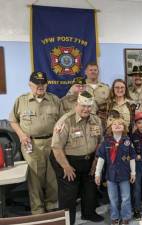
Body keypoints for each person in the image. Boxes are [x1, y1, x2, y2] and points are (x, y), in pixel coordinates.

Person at [9, 71, 62, 214]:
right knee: (35, 179)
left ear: (47, 84)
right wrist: (21, 135)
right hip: (31, 145)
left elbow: (63, 122)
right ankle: (37, 210)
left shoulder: (55, 100)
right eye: (37, 84)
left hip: (52, 143)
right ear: (30, 85)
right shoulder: (21, 100)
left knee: (53, 177)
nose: (40, 86)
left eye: (43, 84)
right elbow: (13, 121)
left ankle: (52, 206)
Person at [51, 91, 104, 225]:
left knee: (89, 189)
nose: (86, 109)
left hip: (90, 159)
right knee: (69, 194)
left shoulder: (96, 120)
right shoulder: (65, 121)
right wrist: (66, 167)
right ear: (77, 104)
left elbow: (100, 143)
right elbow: (56, 147)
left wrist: (95, 163)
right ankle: (68, 221)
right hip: (67, 160)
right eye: (83, 106)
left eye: (89, 106)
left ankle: (89, 213)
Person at [95, 117, 136, 225]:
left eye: (120, 124)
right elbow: (101, 158)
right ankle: (115, 217)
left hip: (124, 175)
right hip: (111, 175)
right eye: (114, 124)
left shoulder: (127, 141)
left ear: (124, 128)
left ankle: (126, 216)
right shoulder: (106, 142)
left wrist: (133, 172)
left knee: (126, 197)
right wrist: (97, 173)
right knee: (113, 199)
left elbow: (132, 157)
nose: (117, 125)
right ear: (110, 128)